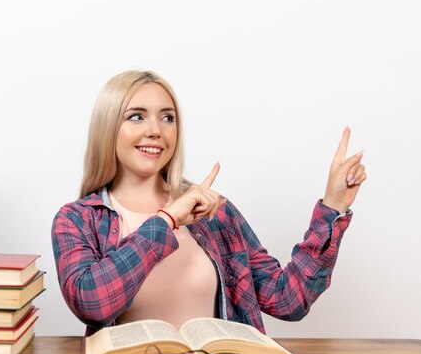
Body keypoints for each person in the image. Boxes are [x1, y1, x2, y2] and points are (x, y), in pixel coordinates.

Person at [51, 70, 367, 336]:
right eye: (136, 116)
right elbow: (91, 302)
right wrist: (166, 221)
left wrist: (333, 206)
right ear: (108, 129)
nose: (155, 130)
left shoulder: (214, 213)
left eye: (167, 118)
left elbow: (288, 300)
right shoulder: (76, 220)